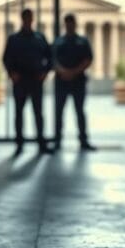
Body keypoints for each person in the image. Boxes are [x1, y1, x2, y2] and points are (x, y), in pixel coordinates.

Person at [3, 8, 53, 155]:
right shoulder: (14, 39)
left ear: (33, 19)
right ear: (22, 19)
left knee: (38, 113)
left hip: (36, 80)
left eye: (30, 18)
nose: (28, 20)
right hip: (20, 81)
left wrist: (45, 73)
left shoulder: (40, 37)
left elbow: (50, 57)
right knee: (19, 113)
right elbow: (6, 58)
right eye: (26, 18)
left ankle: (41, 144)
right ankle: (19, 144)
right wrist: (12, 74)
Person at [53, 13, 97, 151]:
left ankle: (83, 141)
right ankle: (58, 141)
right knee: (59, 112)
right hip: (62, 82)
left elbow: (88, 59)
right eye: (67, 23)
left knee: (80, 111)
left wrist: (73, 72)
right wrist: (63, 72)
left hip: (78, 81)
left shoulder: (83, 41)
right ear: (64, 24)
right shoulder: (58, 41)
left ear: (75, 24)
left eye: (71, 23)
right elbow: (53, 60)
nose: (69, 25)